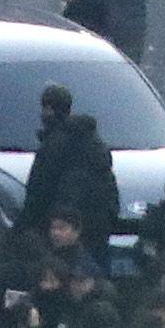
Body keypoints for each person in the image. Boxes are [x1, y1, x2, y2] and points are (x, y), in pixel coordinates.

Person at [21, 83, 123, 244]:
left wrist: (27, 226)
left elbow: (39, 190)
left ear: (48, 109)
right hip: (96, 226)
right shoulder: (93, 141)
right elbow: (108, 183)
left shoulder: (54, 144)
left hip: (62, 229)